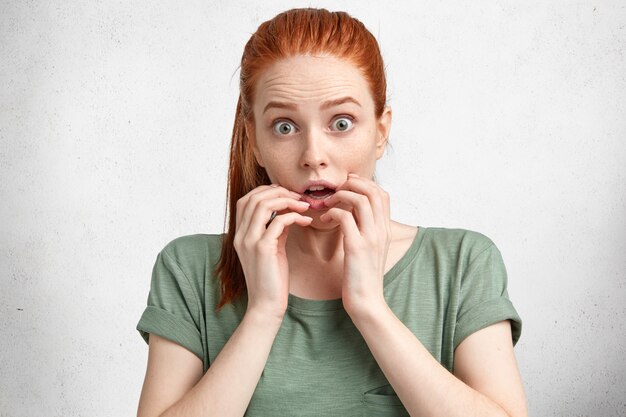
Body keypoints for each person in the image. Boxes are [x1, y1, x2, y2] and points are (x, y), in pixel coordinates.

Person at [136, 8, 527, 417]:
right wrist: (263, 312)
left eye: (341, 123)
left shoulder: (463, 263)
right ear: (253, 141)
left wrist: (370, 307)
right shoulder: (188, 269)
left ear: (380, 131)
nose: (313, 157)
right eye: (284, 127)